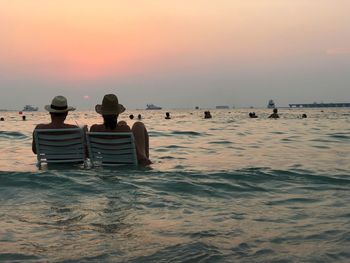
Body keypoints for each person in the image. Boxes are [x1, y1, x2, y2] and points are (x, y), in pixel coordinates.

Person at [90, 94, 151, 166]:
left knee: (122, 123)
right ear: (118, 114)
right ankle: (146, 157)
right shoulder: (125, 129)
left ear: (102, 114)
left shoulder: (94, 129)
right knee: (138, 124)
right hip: (127, 163)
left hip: (105, 163)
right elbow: (139, 157)